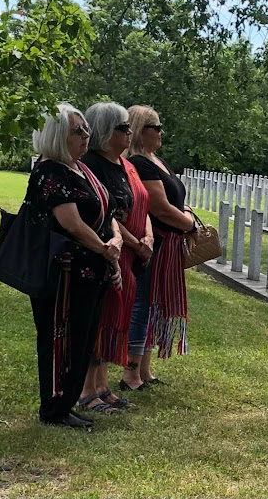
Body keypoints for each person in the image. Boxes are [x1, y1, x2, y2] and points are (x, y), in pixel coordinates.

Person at [26, 103, 122, 428]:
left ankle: (67, 404)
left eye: (85, 129)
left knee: (81, 338)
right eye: (77, 130)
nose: (86, 135)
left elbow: (106, 212)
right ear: (56, 135)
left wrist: (115, 244)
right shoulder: (50, 170)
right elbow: (71, 223)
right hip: (62, 273)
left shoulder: (80, 168)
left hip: (89, 271)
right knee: (60, 338)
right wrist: (106, 250)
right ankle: (54, 410)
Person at [79, 102, 153, 412]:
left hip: (130, 254)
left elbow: (141, 203)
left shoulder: (125, 164)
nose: (130, 133)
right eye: (124, 128)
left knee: (115, 321)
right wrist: (136, 243)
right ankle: (86, 391)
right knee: (99, 322)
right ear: (106, 133)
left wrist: (147, 237)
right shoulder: (92, 165)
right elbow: (107, 212)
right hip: (109, 251)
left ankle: (103, 386)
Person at [120, 105, 198, 390]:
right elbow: (160, 208)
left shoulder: (157, 160)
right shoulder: (140, 164)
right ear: (142, 131)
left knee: (155, 306)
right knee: (143, 304)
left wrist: (187, 212)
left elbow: (174, 200)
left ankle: (145, 369)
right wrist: (189, 226)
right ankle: (130, 372)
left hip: (169, 245)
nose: (162, 131)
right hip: (153, 242)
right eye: (157, 126)